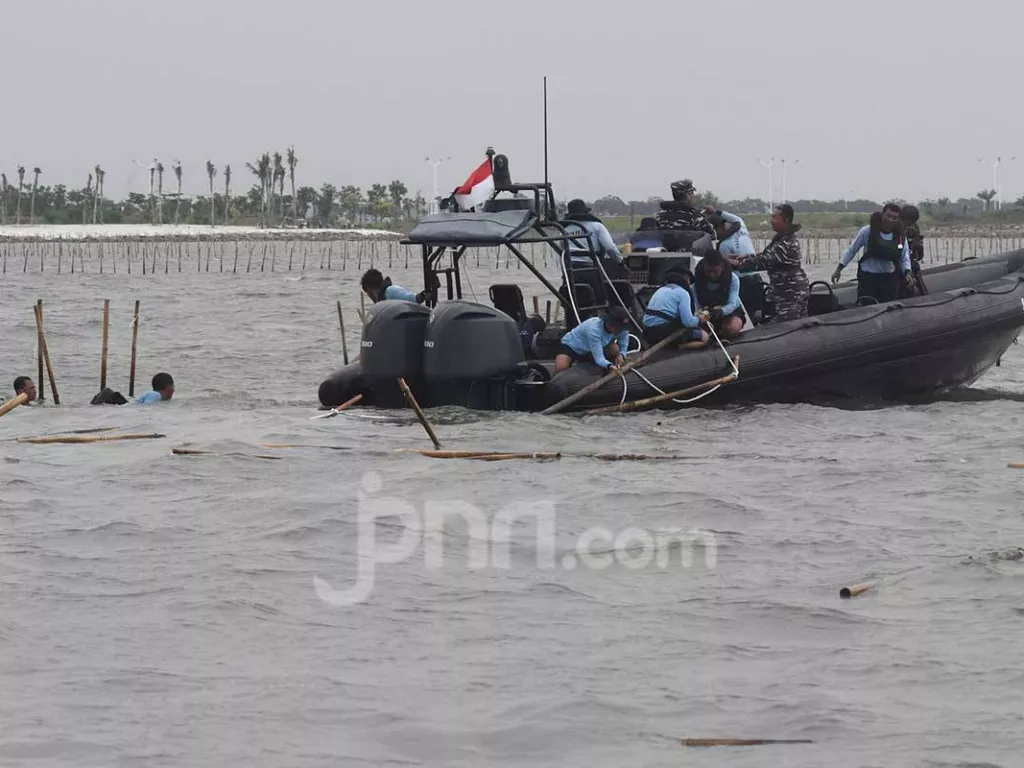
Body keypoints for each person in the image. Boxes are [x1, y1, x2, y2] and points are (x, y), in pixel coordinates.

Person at [730, 204, 810, 322]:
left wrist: (737, 264)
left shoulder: (786, 243)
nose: (771, 221)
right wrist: (744, 257)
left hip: (790, 293)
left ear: (785, 220)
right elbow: (765, 256)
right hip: (784, 292)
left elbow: (765, 261)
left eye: (774, 217)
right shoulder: (781, 239)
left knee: (789, 326)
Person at [832, 203, 913, 303]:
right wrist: (839, 269)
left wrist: (907, 273)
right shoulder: (867, 231)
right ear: (882, 214)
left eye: (894, 218)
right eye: (888, 216)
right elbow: (852, 250)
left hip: (889, 279)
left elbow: (904, 257)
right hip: (868, 278)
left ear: (898, 220)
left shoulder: (900, 237)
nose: (890, 220)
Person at [642, 269, 710, 349]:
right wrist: (699, 319)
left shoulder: (660, 290)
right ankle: (679, 347)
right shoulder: (683, 293)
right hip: (662, 333)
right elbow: (688, 322)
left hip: (647, 332)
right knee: (704, 337)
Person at [554, 306, 632, 374]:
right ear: (610, 323)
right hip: (572, 346)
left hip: (592, 349)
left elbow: (623, 345)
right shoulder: (593, 329)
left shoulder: (623, 329)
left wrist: (622, 355)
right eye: (618, 327)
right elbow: (599, 358)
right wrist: (609, 366)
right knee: (561, 368)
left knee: (614, 349)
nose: (621, 330)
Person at [562, 198, 627, 278]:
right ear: (586, 212)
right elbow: (610, 248)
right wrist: (621, 263)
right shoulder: (597, 226)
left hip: (570, 271)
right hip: (591, 269)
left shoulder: (564, 230)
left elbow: (561, 251)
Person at [690, 250, 744, 339]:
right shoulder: (696, 282)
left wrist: (720, 312)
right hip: (707, 313)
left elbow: (732, 304)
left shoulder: (733, 279)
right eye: (708, 271)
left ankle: (721, 333)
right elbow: (697, 307)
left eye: (715, 271)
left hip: (729, 311)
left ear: (722, 267)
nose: (711, 275)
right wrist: (702, 315)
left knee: (731, 328)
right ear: (704, 267)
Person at [900, 204, 927, 296]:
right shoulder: (897, 229)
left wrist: (917, 244)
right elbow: (899, 247)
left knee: (915, 269)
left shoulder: (915, 229)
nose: (909, 225)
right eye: (908, 223)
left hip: (911, 259)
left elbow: (919, 248)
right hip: (900, 260)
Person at [360, 268, 428, 304]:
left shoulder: (390, 291)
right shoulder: (381, 302)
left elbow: (407, 296)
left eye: (369, 293)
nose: (370, 297)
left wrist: (420, 296)